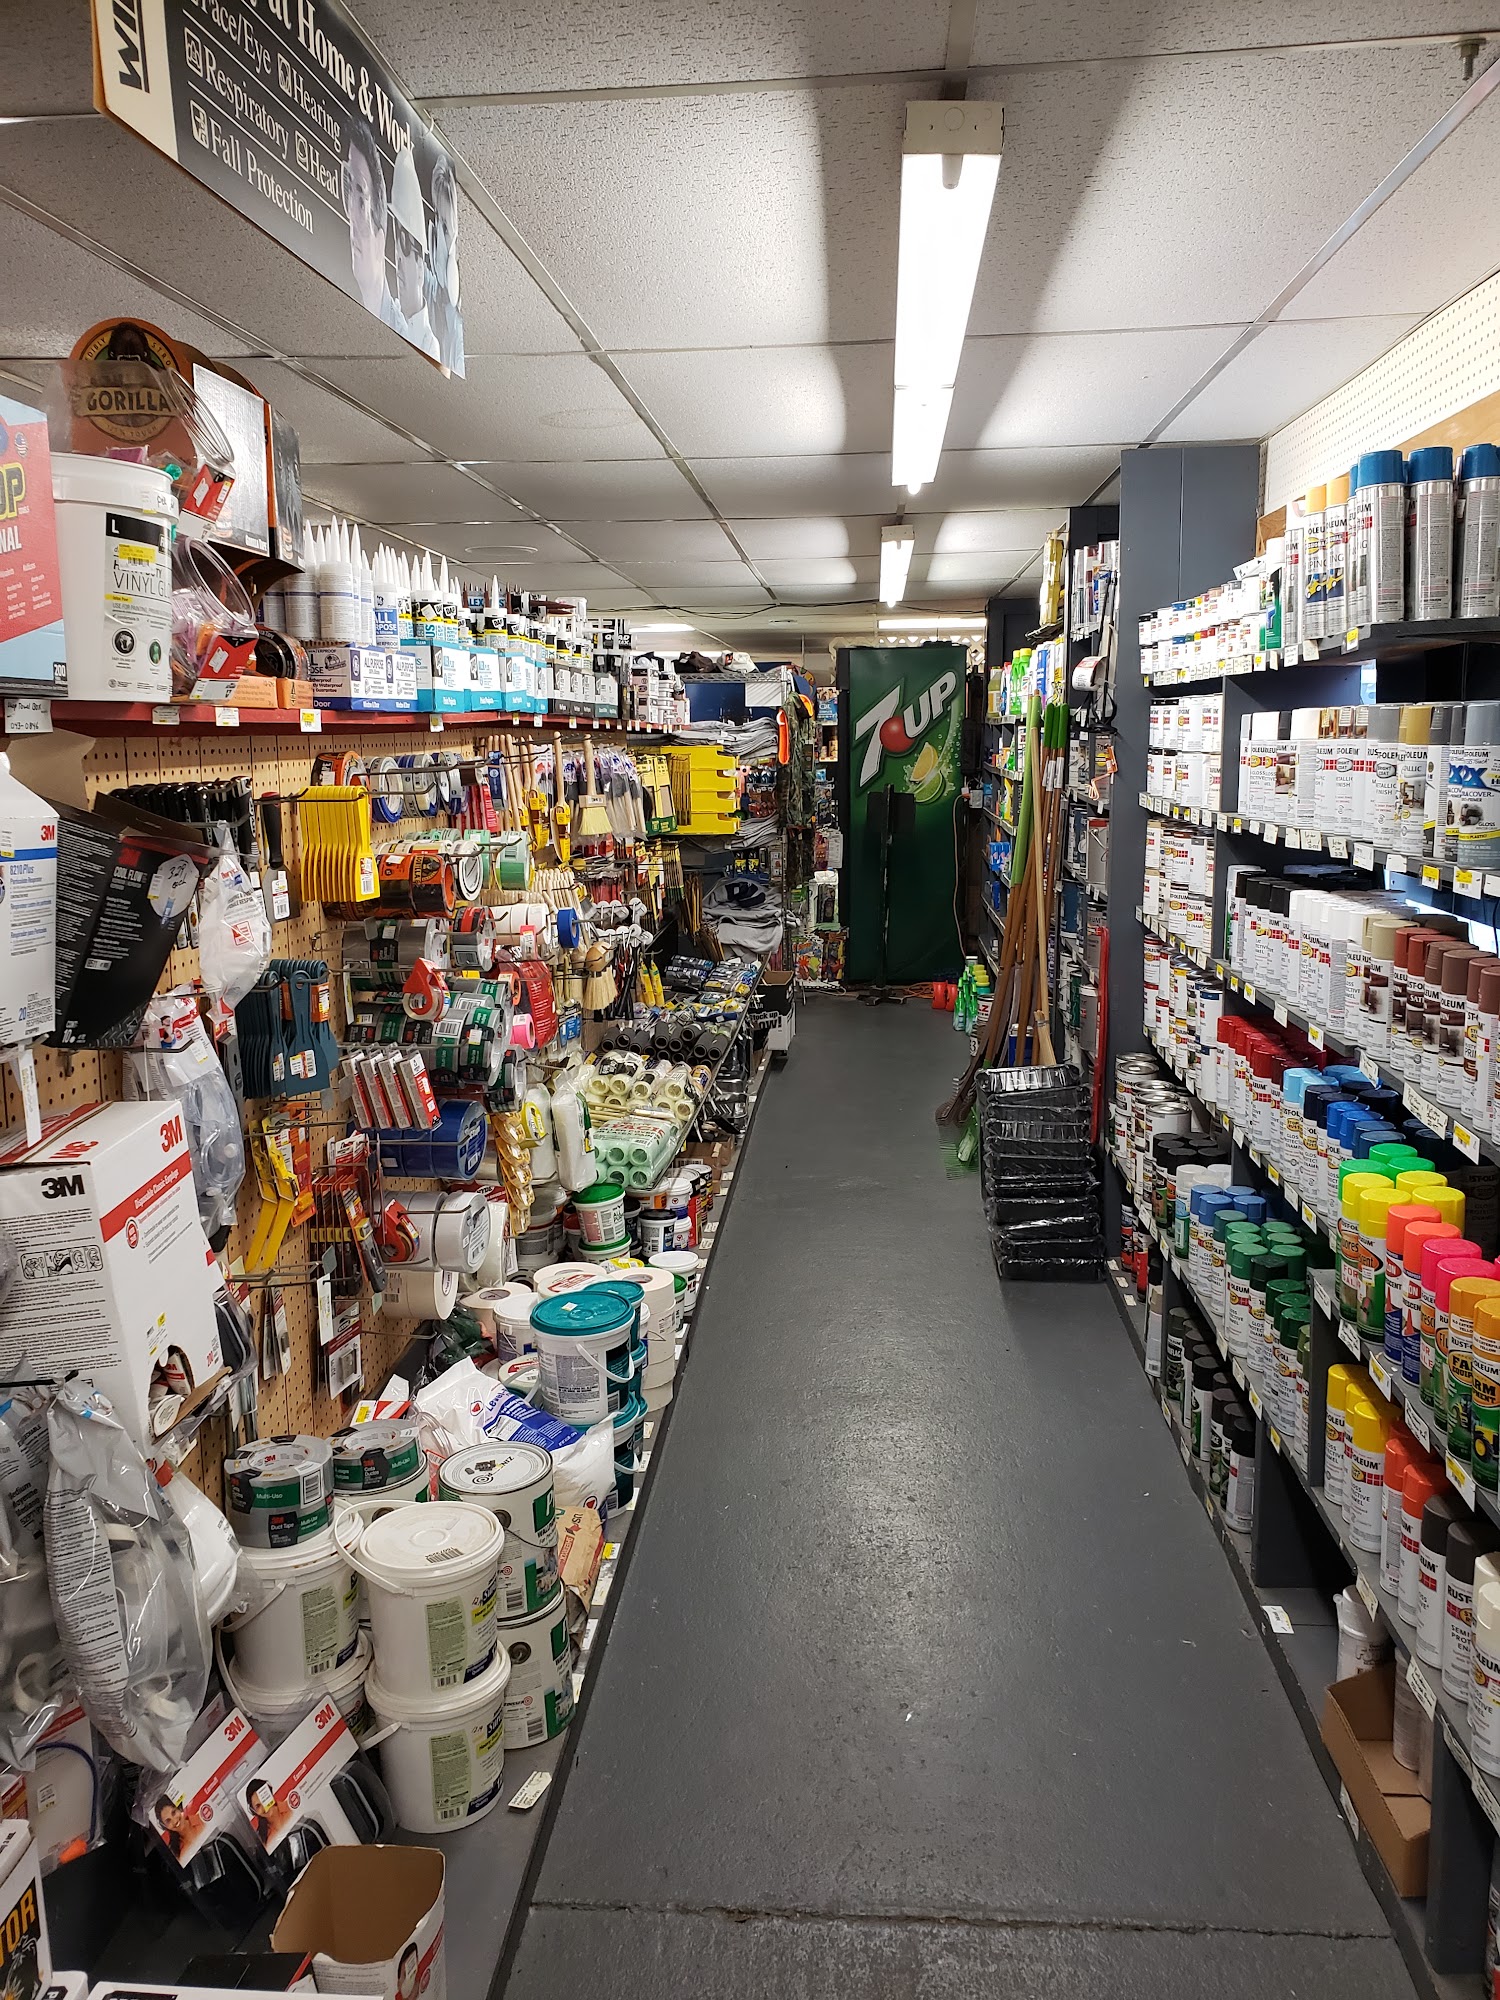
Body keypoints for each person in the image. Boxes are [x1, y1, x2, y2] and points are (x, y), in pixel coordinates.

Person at [342, 118, 399, 333]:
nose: (353, 218)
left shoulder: (403, 334)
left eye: (361, 201)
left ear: (380, 240)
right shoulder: (350, 321)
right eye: (349, 190)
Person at [388, 146, 438, 359]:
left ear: (420, 268)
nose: (398, 261)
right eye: (397, 244)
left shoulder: (429, 346)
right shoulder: (388, 312)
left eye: (406, 246)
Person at [426, 154, 464, 375]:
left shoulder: (455, 328)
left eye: (450, 231)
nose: (447, 243)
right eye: (443, 227)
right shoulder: (428, 290)